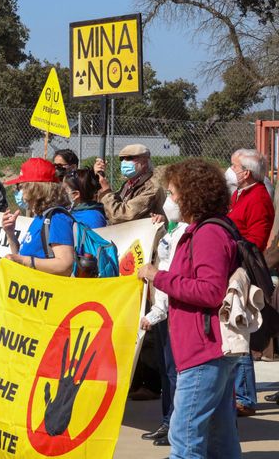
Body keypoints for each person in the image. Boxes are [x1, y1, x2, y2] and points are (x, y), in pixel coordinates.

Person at [137, 158, 241, 459]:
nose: (169, 200)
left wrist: (160, 277)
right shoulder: (205, 229)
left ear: (191, 194)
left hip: (203, 350)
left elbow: (210, 291)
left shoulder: (208, 234)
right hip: (208, 348)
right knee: (220, 438)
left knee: (183, 440)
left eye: (172, 193)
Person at [225, 149, 274, 417]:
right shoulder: (240, 194)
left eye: (233, 165)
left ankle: (244, 396)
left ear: (246, 173)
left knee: (239, 331)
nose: (229, 169)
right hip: (234, 266)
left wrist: (229, 245)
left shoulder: (258, 198)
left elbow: (256, 239)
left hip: (243, 270)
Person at [139, 199, 187, 447]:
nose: (169, 199)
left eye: (173, 193)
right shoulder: (171, 228)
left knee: (174, 373)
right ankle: (168, 420)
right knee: (168, 372)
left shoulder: (185, 232)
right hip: (162, 309)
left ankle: (175, 425)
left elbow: (170, 273)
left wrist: (157, 311)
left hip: (169, 312)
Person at [1, 158, 76, 276]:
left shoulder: (57, 218)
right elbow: (22, 258)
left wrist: (24, 261)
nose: (17, 191)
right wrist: (10, 233)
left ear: (35, 189)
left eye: (20, 186)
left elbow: (65, 265)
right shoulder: (40, 217)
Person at [94, 144, 164, 224]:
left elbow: (120, 215)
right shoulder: (128, 184)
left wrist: (106, 191)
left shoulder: (151, 187)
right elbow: (108, 207)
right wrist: (97, 178)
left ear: (144, 162)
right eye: (122, 159)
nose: (124, 162)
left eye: (129, 158)